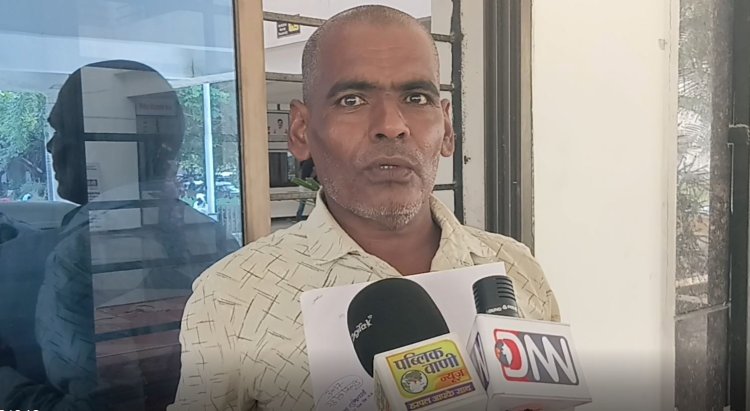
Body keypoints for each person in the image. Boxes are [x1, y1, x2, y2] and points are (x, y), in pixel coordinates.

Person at [169, 5, 559, 411]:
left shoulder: (515, 267)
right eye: (351, 100)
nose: (391, 126)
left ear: (447, 128)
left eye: (416, 97)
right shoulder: (232, 295)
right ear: (301, 131)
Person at [0, 60, 239, 410]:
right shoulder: (216, 238)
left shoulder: (82, 255)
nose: (52, 147)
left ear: (101, 142)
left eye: (62, 131)